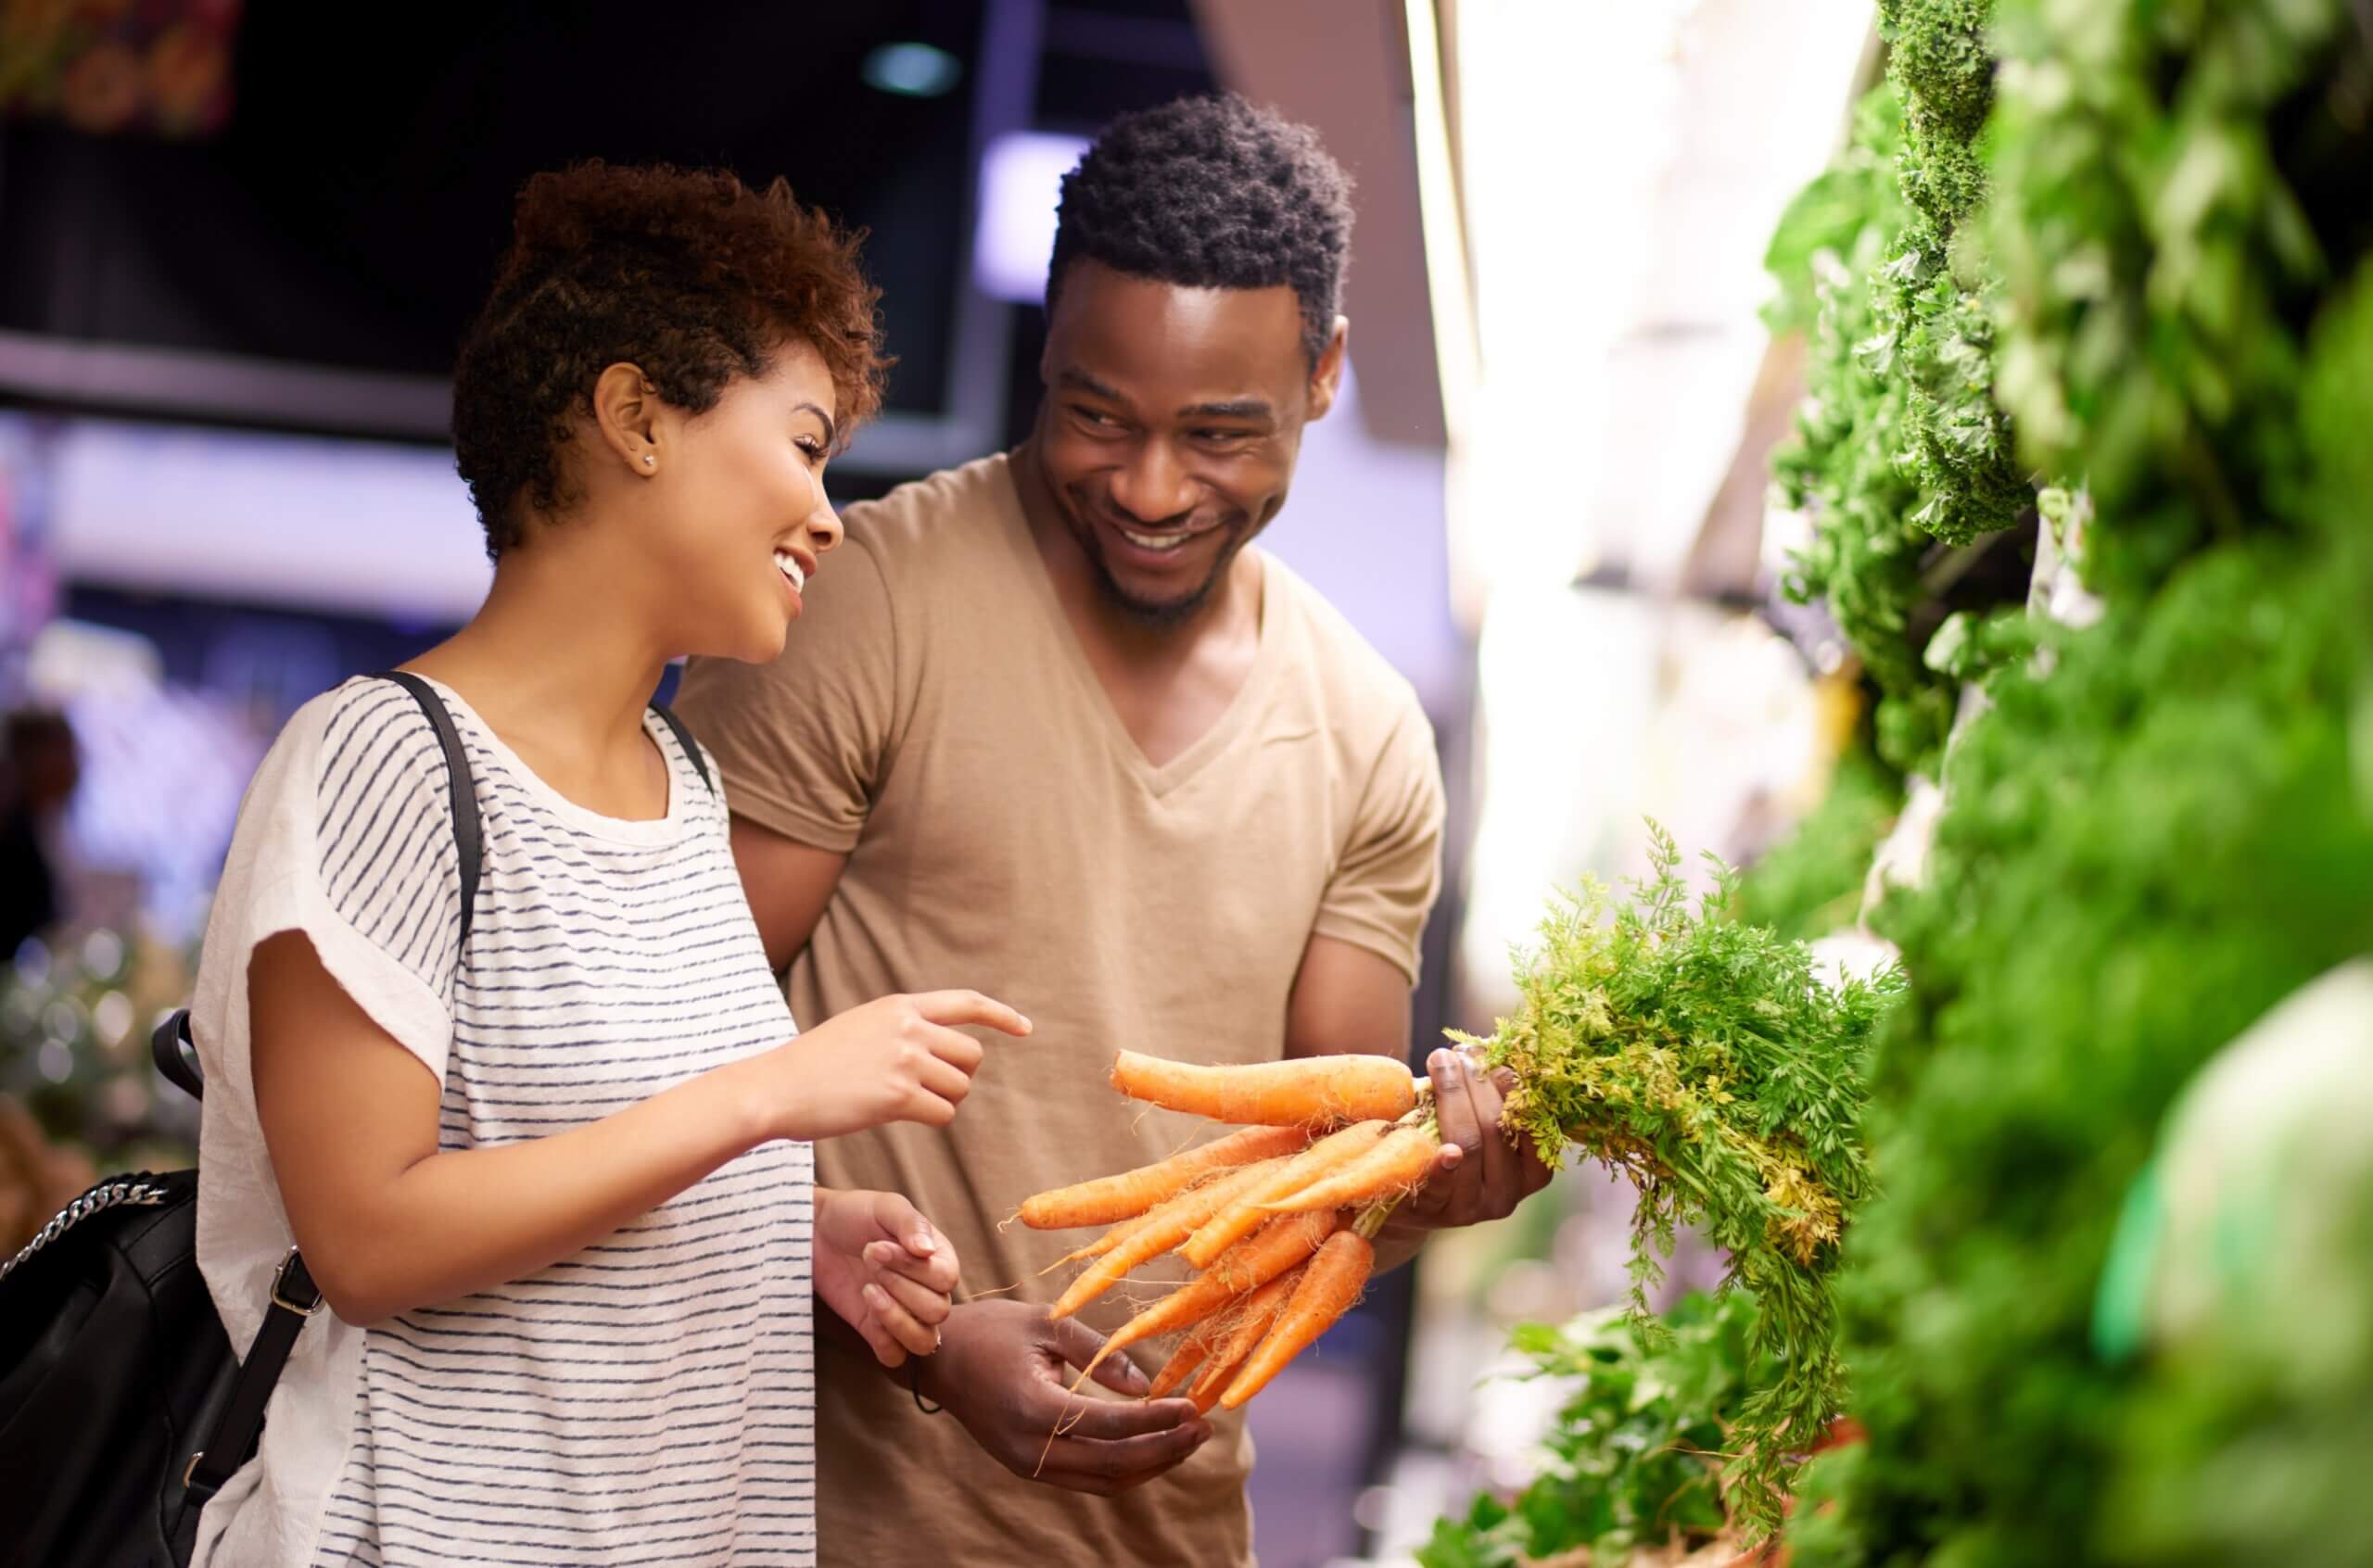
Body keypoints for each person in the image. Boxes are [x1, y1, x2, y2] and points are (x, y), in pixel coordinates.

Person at [676, 95, 1552, 1566]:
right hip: (804, 1525)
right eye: (1098, 415)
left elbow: (1327, 1184)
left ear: (1324, 374)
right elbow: (644, 1071)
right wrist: (925, 1345)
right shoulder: (856, 607)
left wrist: (1442, 1187)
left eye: (1220, 435)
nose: (1151, 489)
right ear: (1048, 348)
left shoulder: (1369, 735)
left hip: (1164, 1536)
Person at [185, 164, 1028, 1567]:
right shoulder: (380, 759)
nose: (828, 513)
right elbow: (371, 1240)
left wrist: (792, 1230)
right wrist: (767, 1100)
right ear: (637, 416)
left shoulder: (687, 786)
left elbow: (577, 1154)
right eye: (806, 445)